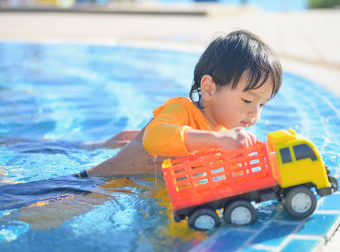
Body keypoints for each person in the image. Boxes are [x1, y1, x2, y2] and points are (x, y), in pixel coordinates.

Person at [83, 30, 282, 179]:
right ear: (209, 89)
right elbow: (154, 137)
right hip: (97, 186)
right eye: (247, 100)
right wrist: (217, 139)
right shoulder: (182, 111)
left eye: (262, 105)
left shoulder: (226, 136)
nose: (254, 114)